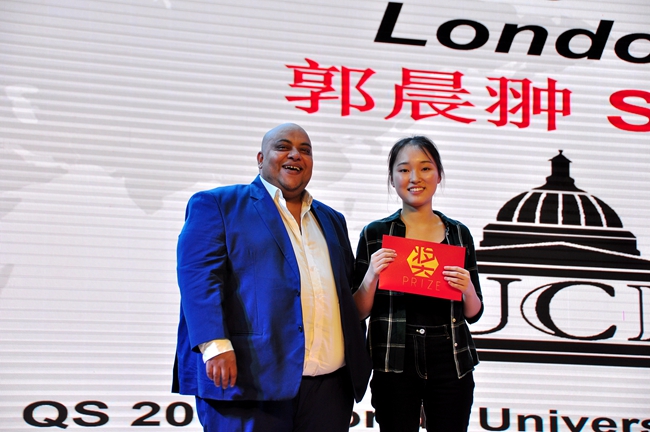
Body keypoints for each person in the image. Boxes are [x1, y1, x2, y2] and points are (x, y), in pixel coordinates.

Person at [172, 123, 371, 432]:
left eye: (305, 150)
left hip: (330, 391)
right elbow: (198, 278)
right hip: (248, 383)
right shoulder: (218, 205)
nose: (295, 155)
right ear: (260, 159)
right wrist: (214, 345)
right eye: (283, 147)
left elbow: (343, 294)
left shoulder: (332, 219)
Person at [352, 136, 483, 432]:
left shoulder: (458, 234)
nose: (415, 178)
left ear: (439, 175)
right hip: (393, 358)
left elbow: (474, 313)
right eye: (403, 169)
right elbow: (357, 311)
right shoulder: (376, 233)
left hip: (451, 358)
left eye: (425, 168)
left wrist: (467, 289)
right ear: (392, 178)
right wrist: (371, 275)